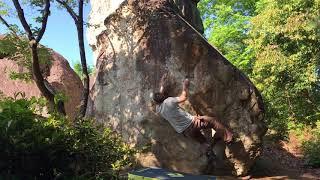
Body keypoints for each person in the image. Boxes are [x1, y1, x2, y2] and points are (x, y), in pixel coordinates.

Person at [153, 78, 233, 153]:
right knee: (213, 121)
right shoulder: (169, 101)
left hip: (185, 132)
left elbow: (158, 99)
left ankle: (209, 154)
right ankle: (229, 139)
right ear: (163, 97)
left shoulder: (158, 109)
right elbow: (183, 97)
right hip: (193, 124)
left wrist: (162, 86)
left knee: (202, 141)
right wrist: (185, 86)